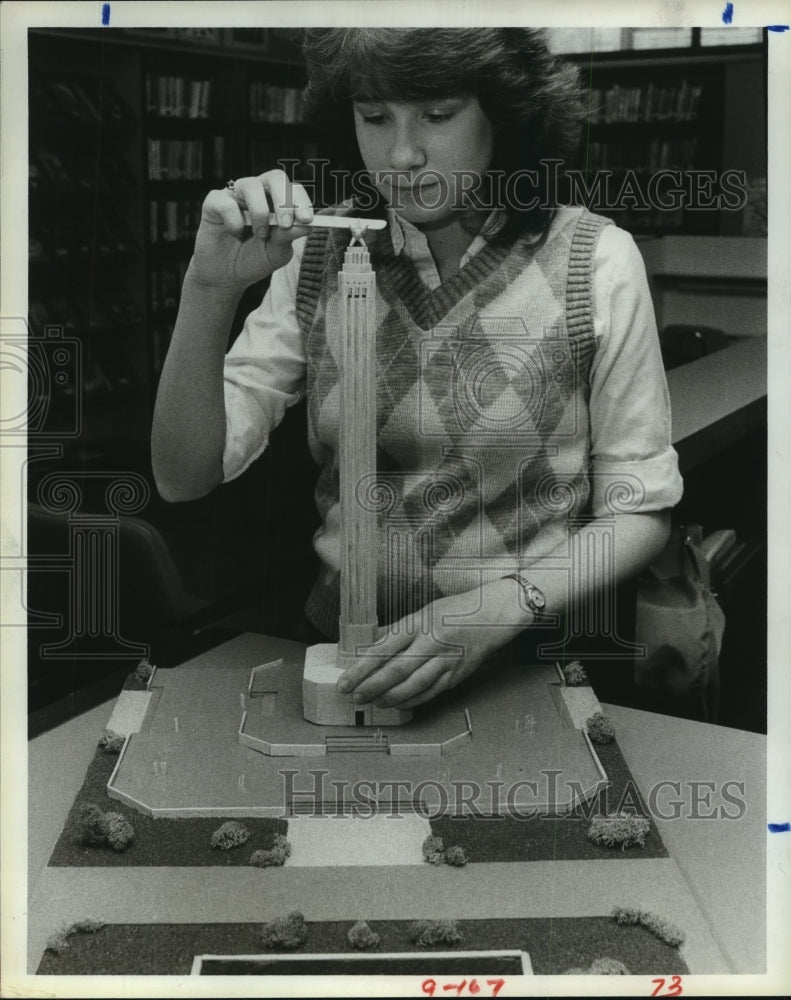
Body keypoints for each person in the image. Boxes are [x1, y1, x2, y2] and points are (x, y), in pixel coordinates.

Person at [151, 28, 683, 713]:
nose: (401, 154)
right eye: (374, 118)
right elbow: (181, 477)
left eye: (437, 115)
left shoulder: (595, 260)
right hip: (346, 656)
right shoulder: (315, 256)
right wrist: (208, 289)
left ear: (503, 112)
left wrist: (495, 610)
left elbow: (639, 512)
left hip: (530, 664)